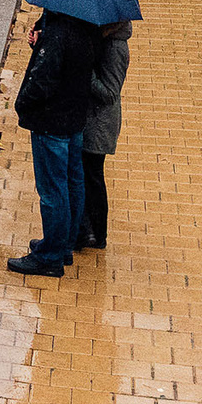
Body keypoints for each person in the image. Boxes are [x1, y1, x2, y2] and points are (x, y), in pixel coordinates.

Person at [9, 7, 103, 276]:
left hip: (51, 122)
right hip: (74, 119)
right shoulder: (88, 26)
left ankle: (50, 257)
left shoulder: (58, 33)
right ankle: (63, 246)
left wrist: (22, 103)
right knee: (73, 183)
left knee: (52, 191)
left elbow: (43, 81)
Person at [78, 20, 132, 250]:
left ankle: (98, 234)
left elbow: (110, 93)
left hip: (99, 125)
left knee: (93, 177)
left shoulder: (116, 48)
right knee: (88, 176)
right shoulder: (105, 40)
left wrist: (84, 72)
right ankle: (89, 231)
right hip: (92, 121)